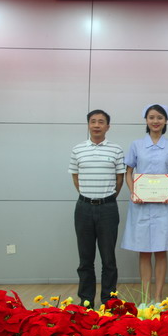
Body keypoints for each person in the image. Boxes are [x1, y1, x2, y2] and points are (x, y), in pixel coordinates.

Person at [122, 104, 168, 303]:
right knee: (144, 251)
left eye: (159, 117)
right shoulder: (136, 145)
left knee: (161, 250)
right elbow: (128, 172)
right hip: (141, 204)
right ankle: (145, 297)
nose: (155, 121)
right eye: (151, 117)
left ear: (166, 121)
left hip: (163, 205)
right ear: (146, 120)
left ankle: (158, 297)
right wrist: (133, 192)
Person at [69, 109, 125, 307]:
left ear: (108, 126)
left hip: (108, 208)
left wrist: (106, 198)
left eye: (101, 122)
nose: (96, 125)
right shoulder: (78, 150)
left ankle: (109, 300)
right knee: (85, 259)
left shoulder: (116, 150)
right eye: (93, 121)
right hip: (83, 208)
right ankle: (86, 301)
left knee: (108, 259)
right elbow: (75, 177)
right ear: (88, 125)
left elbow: (120, 179)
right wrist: (89, 196)